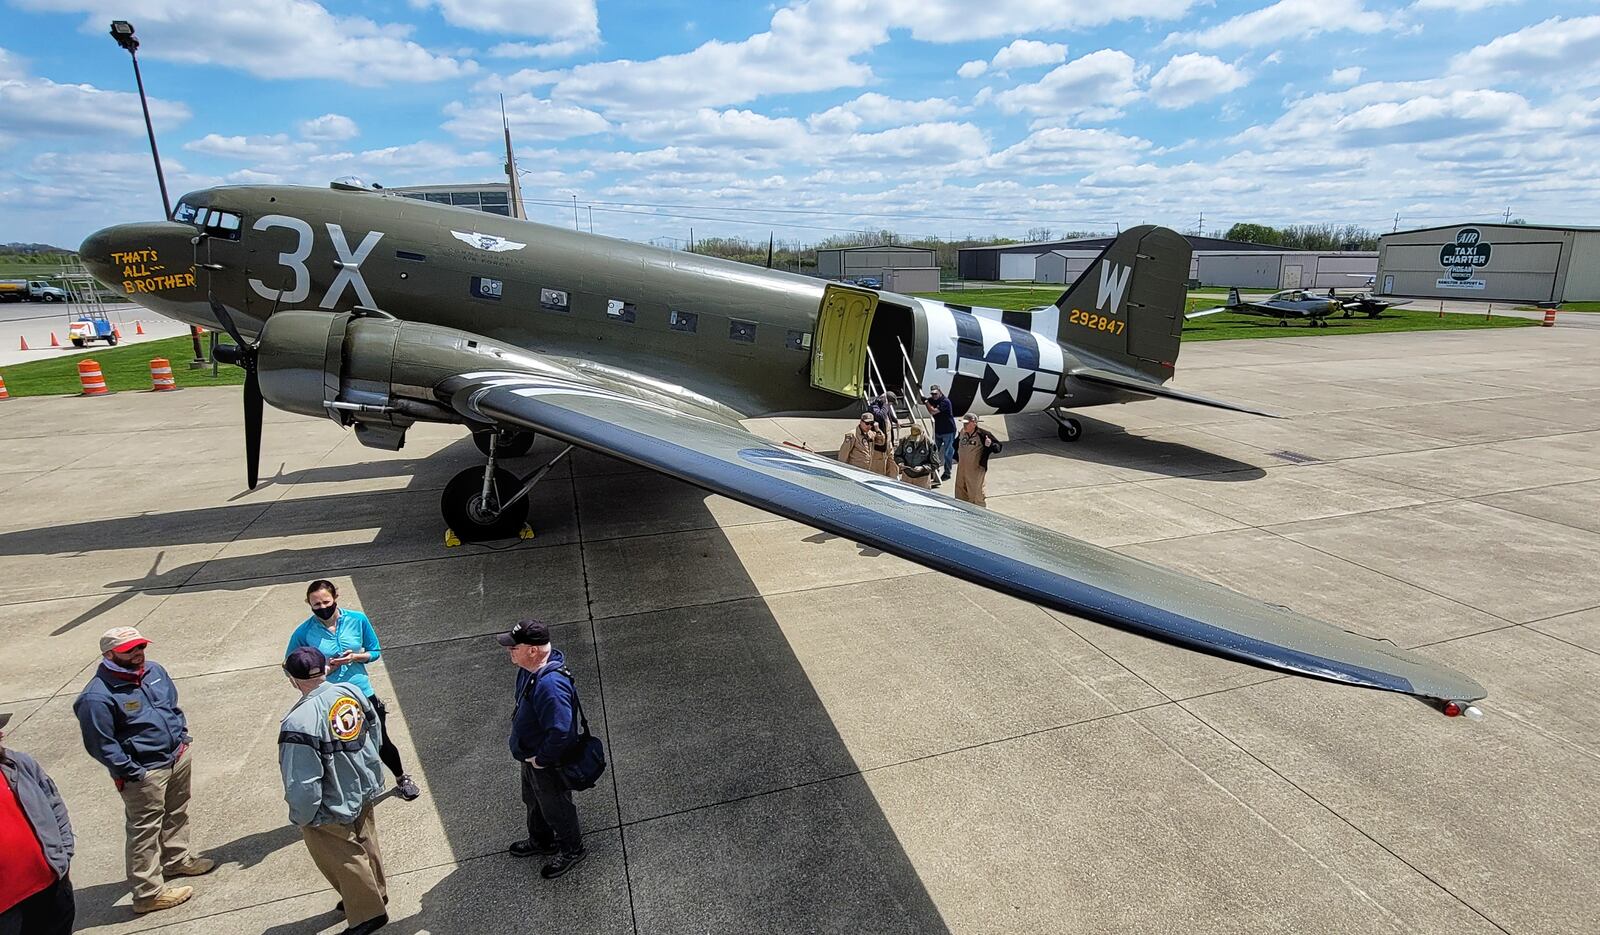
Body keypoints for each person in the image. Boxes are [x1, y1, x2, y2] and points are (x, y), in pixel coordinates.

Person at [73, 626, 214, 914]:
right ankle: (148, 893)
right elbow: (101, 744)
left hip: (176, 756)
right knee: (144, 831)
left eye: (141, 647)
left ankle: (177, 861)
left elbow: (171, 706)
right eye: (130, 651)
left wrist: (181, 739)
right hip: (144, 772)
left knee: (177, 812)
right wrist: (133, 771)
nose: (138, 654)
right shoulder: (96, 697)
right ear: (109, 654)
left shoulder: (155, 671)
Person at [279, 647, 389, 935]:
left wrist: (302, 815)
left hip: (330, 800)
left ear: (292, 678)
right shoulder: (350, 692)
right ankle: (375, 892)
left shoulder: (299, 721)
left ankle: (367, 914)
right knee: (366, 840)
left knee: (342, 855)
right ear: (325, 669)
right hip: (363, 785)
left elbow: (303, 781)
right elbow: (374, 733)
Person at [287, 580, 420, 801]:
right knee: (341, 747)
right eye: (316, 604)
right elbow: (291, 665)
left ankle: (401, 778)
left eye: (326, 602)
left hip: (361, 692)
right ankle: (352, 791)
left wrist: (356, 657)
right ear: (308, 604)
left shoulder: (357, 620)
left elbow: (375, 650)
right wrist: (323, 671)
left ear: (336, 597)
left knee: (380, 739)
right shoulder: (304, 632)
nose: (322, 607)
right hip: (329, 698)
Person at [499, 620, 587, 879]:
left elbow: (561, 730)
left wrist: (542, 759)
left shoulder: (550, 685)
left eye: (514, 647)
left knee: (556, 806)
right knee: (534, 800)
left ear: (533, 650)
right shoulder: (528, 669)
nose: (509, 651)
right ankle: (541, 840)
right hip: (529, 756)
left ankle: (572, 848)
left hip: (545, 762)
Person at [1, 712, 75, 935]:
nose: (1, 733)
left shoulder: (18, 763)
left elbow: (54, 804)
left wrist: (64, 853)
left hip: (50, 886)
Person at [954, 414, 1003, 508]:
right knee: (960, 492)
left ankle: (980, 514)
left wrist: (990, 445)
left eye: (967, 423)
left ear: (974, 423)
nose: (964, 426)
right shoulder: (962, 433)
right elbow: (955, 444)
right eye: (964, 423)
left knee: (976, 494)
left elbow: (998, 448)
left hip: (976, 470)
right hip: (962, 469)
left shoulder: (983, 434)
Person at [924, 386, 958, 482]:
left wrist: (926, 402)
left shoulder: (945, 402)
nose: (934, 396)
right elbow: (923, 400)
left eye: (935, 393)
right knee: (933, 451)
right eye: (932, 394)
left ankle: (947, 473)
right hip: (938, 430)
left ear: (940, 392)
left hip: (948, 431)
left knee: (948, 453)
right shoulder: (932, 400)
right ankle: (935, 471)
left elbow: (933, 411)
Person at [893, 425, 942, 489]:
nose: (915, 439)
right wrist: (900, 462)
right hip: (907, 477)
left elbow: (935, 464)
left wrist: (923, 467)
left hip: (922, 479)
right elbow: (897, 455)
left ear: (923, 433)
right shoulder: (905, 440)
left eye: (917, 437)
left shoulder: (930, 444)